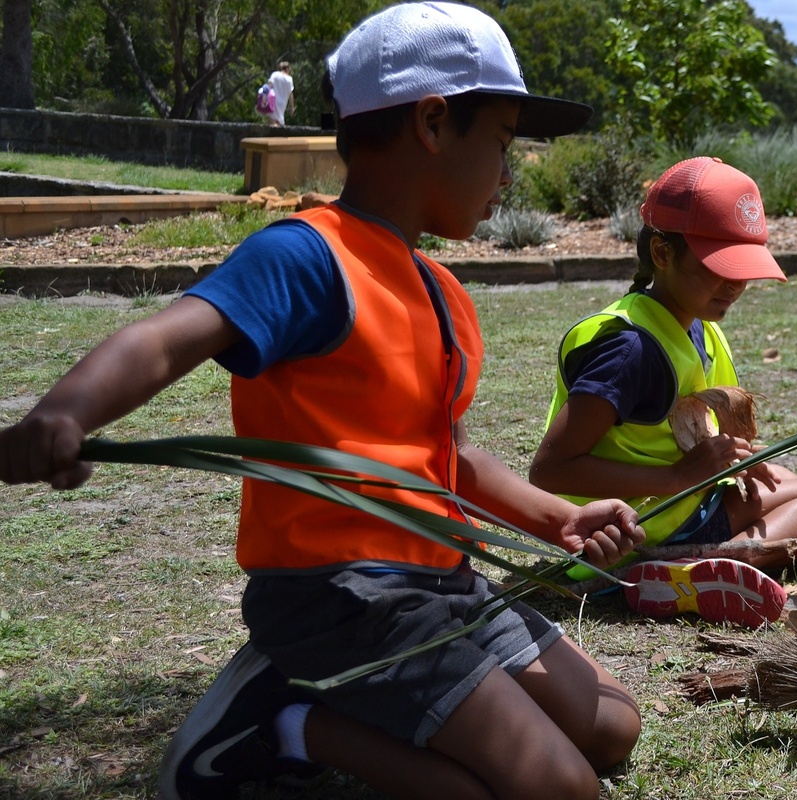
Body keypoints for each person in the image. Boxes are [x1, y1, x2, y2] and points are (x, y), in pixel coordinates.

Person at [0, 4, 642, 799]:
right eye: (503, 145)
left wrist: (559, 518)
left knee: (614, 726)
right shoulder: (308, 257)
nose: (509, 175)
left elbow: (449, 453)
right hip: (340, 598)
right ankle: (281, 726)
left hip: (442, 582)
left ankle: (327, 707)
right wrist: (66, 414)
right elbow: (168, 337)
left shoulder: (440, 291)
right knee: (556, 790)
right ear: (434, 124)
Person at [531, 156, 797, 628]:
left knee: (785, 476)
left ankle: (726, 559)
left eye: (745, 266)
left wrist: (742, 456)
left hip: (682, 497)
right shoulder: (628, 350)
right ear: (663, 254)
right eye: (719, 266)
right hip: (646, 524)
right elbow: (549, 470)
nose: (737, 283)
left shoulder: (694, 323)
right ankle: (700, 569)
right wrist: (677, 480)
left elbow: (680, 427)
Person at [267, 61, 294, 126]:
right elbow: (291, 95)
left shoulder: (275, 74)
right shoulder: (289, 79)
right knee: (280, 121)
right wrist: (291, 107)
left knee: (272, 122)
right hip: (283, 104)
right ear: (288, 69)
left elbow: (269, 86)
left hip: (273, 101)